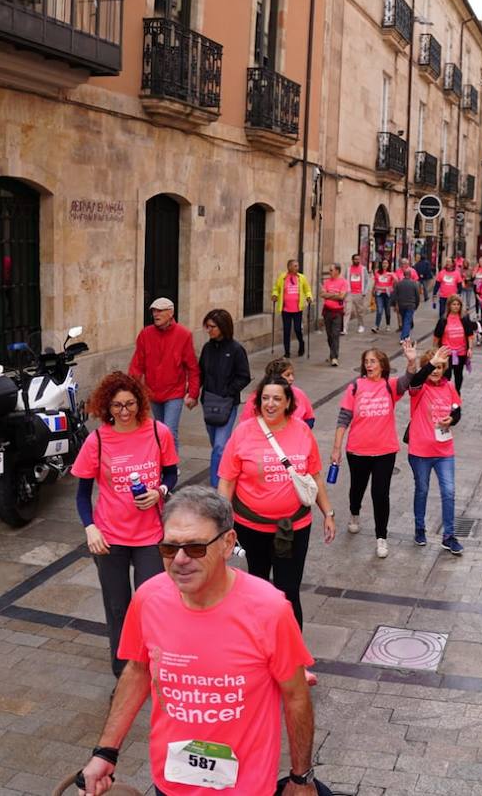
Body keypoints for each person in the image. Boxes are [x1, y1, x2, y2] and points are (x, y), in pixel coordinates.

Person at [76, 487, 321, 796]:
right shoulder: (148, 598)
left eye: (194, 547)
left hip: (245, 788)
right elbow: (137, 671)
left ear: (228, 543)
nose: (179, 560)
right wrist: (105, 752)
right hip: (172, 783)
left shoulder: (270, 610)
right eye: (169, 547)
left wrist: (301, 778)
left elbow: (296, 696)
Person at [71, 371, 179, 676]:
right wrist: (90, 527)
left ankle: (152, 667)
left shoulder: (158, 432)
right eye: (117, 405)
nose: (124, 411)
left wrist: (159, 491)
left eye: (130, 404)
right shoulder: (97, 441)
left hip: (151, 536)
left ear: (140, 402)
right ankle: (123, 675)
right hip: (110, 538)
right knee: (117, 609)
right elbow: (82, 494)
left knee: (150, 606)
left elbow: (171, 473)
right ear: (107, 406)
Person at [218, 377, 337, 626]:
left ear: (288, 402)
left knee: (289, 590)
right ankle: (260, 640)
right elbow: (227, 481)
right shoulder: (243, 432)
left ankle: (291, 647)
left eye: (276, 399)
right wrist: (221, 525)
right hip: (251, 528)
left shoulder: (302, 431)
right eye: (265, 398)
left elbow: (314, 476)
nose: (270, 404)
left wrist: (328, 513)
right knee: (258, 586)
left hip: (295, 528)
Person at [331, 343, 422, 558]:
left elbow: (409, 379)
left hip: (385, 451)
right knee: (357, 488)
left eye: (373, 361)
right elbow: (343, 419)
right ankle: (354, 512)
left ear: (382, 365)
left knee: (380, 494)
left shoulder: (390, 386)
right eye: (366, 362)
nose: (369, 365)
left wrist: (411, 360)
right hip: (357, 451)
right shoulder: (355, 387)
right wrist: (336, 448)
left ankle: (382, 537)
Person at [406, 346, 464, 554]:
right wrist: (430, 363)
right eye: (433, 367)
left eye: (440, 367)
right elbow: (415, 380)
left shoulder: (449, 387)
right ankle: (419, 528)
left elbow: (457, 410)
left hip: (444, 451)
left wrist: (452, 419)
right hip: (420, 451)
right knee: (422, 490)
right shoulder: (419, 388)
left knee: (449, 491)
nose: (436, 371)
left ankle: (449, 536)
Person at [128, 297, 200, 444]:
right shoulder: (145, 334)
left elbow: (192, 368)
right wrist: (131, 390)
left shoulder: (184, 335)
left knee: (169, 431)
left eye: (160, 311)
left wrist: (193, 393)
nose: (156, 314)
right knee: (159, 432)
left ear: (171, 313)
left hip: (174, 393)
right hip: (152, 392)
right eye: (154, 311)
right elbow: (137, 365)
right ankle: (162, 458)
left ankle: (172, 460)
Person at [198, 309, 252, 488]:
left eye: (212, 327)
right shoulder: (207, 349)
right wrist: (194, 393)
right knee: (216, 444)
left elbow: (244, 376)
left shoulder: (236, 349)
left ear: (222, 327)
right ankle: (228, 471)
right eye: (207, 326)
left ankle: (217, 486)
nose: (209, 330)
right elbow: (200, 373)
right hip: (209, 402)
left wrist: (228, 392)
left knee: (220, 446)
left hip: (227, 404)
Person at [431, 295, 476, 393]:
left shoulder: (464, 319)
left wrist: (470, 348)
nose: (456, 306)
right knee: (446, 375)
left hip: (460, 353)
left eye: (458, 304)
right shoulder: (443, 320)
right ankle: (446, 392)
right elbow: (436, 337)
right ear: (449, 306)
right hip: (446, 353)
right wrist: (434, 351)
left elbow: (470, 335)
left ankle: (457, 393)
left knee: (458, 374)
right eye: (454, 304)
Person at [271, 258, 312, 358]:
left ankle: (301, 344)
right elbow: (276, 288)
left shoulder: (301, 278)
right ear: (289, 267)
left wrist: (309, 297)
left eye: (297, 266)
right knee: (286, 330)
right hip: (286, 310)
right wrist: (275, 295)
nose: (297, 268)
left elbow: (307, 290)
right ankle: (287, 352)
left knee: (297, 329)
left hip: (297, 309)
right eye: (295, 266)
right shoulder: (282, 277)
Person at [265, 356, 314, 429]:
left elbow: (309, 418)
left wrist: (301, 430)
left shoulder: (299, 394)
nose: (292, 378)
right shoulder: (257, 396)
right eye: (287, 375)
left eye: (292, 374)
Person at [319, 264, 348, 367]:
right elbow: (322, 294)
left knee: (335, 334)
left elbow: (341, 296)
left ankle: (334, 357)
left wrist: (329, 295)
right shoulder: (327, 282)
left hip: (337, 312)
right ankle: (332, 353)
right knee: (329, 335)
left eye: (331, 270)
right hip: (327, 311)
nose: (329, 272)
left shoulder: (343, 282)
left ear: (337, 271)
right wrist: (335, 295)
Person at [343, 253, 369, 335]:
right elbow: (345, 280)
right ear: (352, 260)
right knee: (347, 311)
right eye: (355, 259)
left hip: (359, 293)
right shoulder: (348, 269)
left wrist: (364, 292)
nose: (357, 260)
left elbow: (367, 281)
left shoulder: (363, 269)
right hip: (349, 293)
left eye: (358, 259)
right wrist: (345, 291)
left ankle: (361, 325)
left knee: (359, 311)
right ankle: (345, 328)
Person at [393, 266, 421, 340]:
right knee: (407, 321)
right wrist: (416, 305)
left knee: (404, 320)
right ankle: (404, 337)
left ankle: (406, 335)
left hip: (401, 305)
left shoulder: (399, 284)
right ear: (410, 275)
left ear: (404, 275)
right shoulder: (414, 284)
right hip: (410, 305)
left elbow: (395, 295)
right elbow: (417, 296)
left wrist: (395, 305)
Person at [372, 260, 395, 332]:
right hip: (379, 294)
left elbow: (396, 281)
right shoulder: (377, 273)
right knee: (379, 310)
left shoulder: (391, 273)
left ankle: (388, 324)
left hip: (388, 294)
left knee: (387, 310)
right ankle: (376, 326)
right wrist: (373, 290)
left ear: (388, 265)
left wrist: (392, 275)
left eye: (386, 263)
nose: (384, 264)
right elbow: (375, 282)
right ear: (381, 264)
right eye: (383, 263)